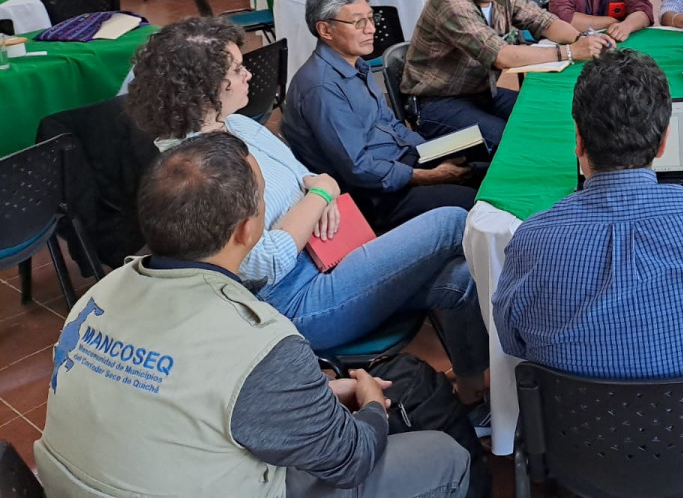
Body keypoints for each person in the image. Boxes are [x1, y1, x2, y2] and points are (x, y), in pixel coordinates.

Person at [35, 133, 472, 498]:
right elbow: (351, 458)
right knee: (444, 456)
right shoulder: (259, 339)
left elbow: (187, 396)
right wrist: (372, 402)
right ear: (248, 230)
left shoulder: (98, 295)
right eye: (265, 201)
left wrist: (309, 396)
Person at [129, 17, 489, 411]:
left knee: (461, 278)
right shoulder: (193, 169)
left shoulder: (240, 127)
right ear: (204, 89)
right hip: (293, 303)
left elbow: (307, 176)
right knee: (451, 220)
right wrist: (320, 195)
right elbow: (263, 261)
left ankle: (474, 394)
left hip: (330, 257)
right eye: (236, 69)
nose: (248, 73)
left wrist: (318, 193)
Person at [492, 49, 683, 379]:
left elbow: (513, 342)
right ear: (664, 143)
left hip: (575, 428)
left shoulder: (532, 239)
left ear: (579, 141)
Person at [280, 0, 480, 228]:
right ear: (325, 30)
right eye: (358, 23)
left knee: (489, 166)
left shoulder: (357, 65)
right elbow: (359, 168)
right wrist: (430, 176)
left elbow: (391, 123)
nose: (371, 29)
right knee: (477, 203)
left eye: (370, 18)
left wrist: (432, 152)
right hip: (378, 198)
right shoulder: (322, 89)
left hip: (404, 163)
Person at [400, 0, 611, 147]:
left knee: (548, 117)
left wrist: (583, 39)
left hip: (482, 92)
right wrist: (570, 52)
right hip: (436, 103)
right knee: (512, 140)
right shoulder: (451, 2)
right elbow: (501, 56)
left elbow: (545, 22)